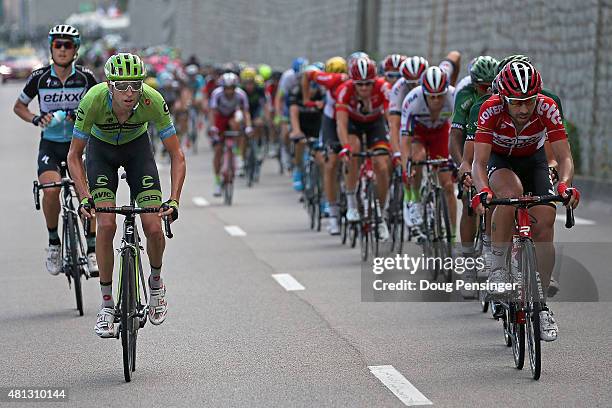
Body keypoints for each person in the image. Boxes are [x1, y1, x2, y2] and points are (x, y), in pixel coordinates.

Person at [67, 53, 186, 337]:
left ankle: (155, 283)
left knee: (154, 227)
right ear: (109, 85)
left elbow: (176, 155)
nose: (129, 92)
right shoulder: (93, 100)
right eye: (121, 86)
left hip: (137, 153)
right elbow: (74, 156)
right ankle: (108, 305)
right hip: (101, 153)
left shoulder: (152, 100)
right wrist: (84, 197)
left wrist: (174, 199)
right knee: (106, 224)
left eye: (135, 84)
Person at [471, 62, 580, 342]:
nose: (523, 109)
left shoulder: (546, 107)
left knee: (545, 220)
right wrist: (482, 190)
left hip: (534, 161)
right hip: (500, 160)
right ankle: (496, 267)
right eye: (517, 103)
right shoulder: (490, 109)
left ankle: (541, 306)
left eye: (529, 101)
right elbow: (478, 162)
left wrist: (565, 185)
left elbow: (565, 157)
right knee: (509, 195)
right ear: (504, 98)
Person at [13, 24, 99, 276]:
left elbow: (103, 104)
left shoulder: (86, 77)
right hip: (50, 144)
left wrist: (83, 117)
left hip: (79, 144)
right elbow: (19, 106)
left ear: (76, 49)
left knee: (89, 194)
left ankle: (92, 250)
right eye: (58, 45)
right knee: (50, 191)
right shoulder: (39, 77)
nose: (62, 49)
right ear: (51, 48)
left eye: (68, 45)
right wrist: (35, 119)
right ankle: (53, 244)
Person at [336, 56, 391, 241]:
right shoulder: (345, 90)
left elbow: (392, 117)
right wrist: (344, 147)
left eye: (368, 84)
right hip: (353, 125)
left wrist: (394, 143)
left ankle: (381, 216)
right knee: (353, 148)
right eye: (360, 85)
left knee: (382, 166)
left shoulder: (383, 87)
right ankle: (351, 202)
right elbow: (341, 124)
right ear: (353, 83)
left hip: (375, 124)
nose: (365, 88)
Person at [400, 66, 457, 236]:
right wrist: (406, 169)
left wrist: (458, 161)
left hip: (440, 132)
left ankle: (452, 236)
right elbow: (405, 140)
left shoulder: (454, 96)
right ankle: (416, 200)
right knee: (418, 157)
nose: (436, 100)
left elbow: (460, 132)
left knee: (447, 185)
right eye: (431, 96)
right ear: (424, 92)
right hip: (418, 132)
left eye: (440, 96)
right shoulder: (412, 99)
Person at [302, 56, 349, 235]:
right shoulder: (331, 79)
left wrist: (307, 98)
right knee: (330, 164)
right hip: (331, 120)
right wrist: (307, 99)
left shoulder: (353, 81)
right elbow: (307, 74)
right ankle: (332, 213)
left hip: (348, 119)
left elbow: (307, 74)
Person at [208, 72, 253, 196]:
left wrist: (248, 126)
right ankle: (217, 182)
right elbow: (212, 112)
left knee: (239, 126)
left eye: (231, 88)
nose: (229, 91)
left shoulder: (241, 95)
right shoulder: (217, 94)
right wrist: (212, 127)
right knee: (218, 150)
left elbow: (245, 112)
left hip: (233, 116)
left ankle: (238, 155)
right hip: (220, 118)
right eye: (226, 88)